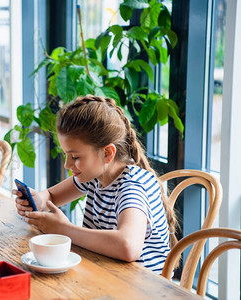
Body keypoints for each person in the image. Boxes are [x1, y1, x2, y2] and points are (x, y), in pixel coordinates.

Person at [14, 95, 177, 274]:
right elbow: (51, 196)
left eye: (75, 157)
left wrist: (64, 229)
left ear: (107, 153)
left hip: (140, 288)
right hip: (105, 275)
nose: (67, 165)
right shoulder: (95, 175)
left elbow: (128, 246)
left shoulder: (132, 187)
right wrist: (38, 200)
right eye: (66, 154)